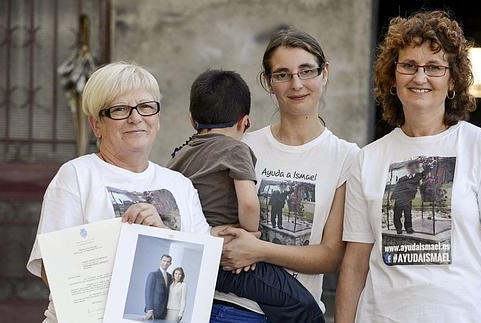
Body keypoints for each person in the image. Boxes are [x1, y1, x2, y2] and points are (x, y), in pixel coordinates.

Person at [336, 10, 481, 323]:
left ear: (453, 79)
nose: (419, 77)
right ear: (393, 77)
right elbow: (355, 263)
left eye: (434, 67)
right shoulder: (367, 159)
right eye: (408, 66)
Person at [26, 62, 210, 323]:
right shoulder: (77, 175)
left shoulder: (180, 185)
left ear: (157, 118)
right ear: (96, 125)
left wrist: (160, 234)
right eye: (120, 109)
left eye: (146, 107)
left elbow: (201, 271)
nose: (136, 118)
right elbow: (51, 272)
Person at [213, 27, 360, 322]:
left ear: (324, 74)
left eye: (307, 71)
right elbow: (213, 219)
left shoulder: (347, 156)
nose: (296, 84)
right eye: (282, 74)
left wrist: (258, 250)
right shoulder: (243, 145)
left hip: (294, 313)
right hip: (229, 308)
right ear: (269, 82)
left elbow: (331, 255)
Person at [168, 69, 323, 322]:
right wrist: (249, 238)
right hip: (232, 259)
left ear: (192, 121)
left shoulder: (179, 154)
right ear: (245, 122)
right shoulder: (237, 149)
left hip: (197, 259)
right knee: (304, 307)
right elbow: (249, 204)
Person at [390, 160, 426, 234]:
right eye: (411, 168)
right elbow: (397, 188)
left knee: (408, 214)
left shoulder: (417, 177)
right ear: (408, 169)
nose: (412, 170)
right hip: (399, 199)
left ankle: (409, 228)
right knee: (397, 214)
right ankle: (398, 228)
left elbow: (423, 173)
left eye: (414, 168)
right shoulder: (402, 179)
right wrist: (393, 198)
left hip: (408, 199)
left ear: (416, 169)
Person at [145, 255, 173, 320]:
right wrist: (149, 309)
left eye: (168, 262)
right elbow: (148, 293)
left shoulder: (169, 276)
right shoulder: (153, 275)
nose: (165, 263)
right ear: (160, 261)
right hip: (153, 311)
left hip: (164, 312)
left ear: (170, 264)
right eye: (164, 261)